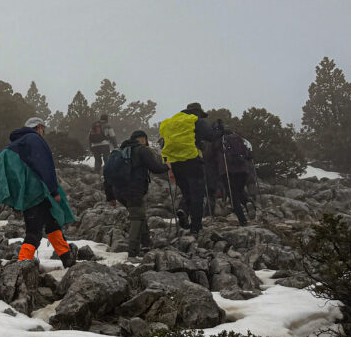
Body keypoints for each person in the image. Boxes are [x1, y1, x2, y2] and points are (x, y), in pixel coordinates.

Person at [0, 117, 77, 267]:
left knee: (52, 224)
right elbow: (45, 165)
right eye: (43, 130)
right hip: (38, 194)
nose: (43, 133)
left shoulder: (16, 145)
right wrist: (54, 191)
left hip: (29, 196)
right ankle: (22, 264)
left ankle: (67, 258)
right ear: (39, 127)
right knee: (34, 233)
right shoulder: (35, 139)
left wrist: (16, 199)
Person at [104, 130, 168, 256]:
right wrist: (167, 166)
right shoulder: (142, 150)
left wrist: (110, 195)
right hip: (133, 190)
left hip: (118, 190)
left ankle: (146, 245)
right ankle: (132, 252)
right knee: (137, 218)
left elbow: (107, 175)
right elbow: (155, 168)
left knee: (140, 214)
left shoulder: (118, 152)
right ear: (143, 139)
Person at [159, 102, 217, 236]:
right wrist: (218, 130)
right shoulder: (196, 120)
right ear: (198, 112)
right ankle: (196, 227)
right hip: (192, 161)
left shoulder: (173, 121)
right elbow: (211, 136)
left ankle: (183, 210)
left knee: (186, 192)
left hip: (176, 163)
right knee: (197, 194)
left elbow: (163, 141)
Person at [216, 126, 255, 225]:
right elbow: (248, 154)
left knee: (233, 196)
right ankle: (247, 202)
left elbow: (209, 156)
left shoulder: (220, 142)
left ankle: (242, 220)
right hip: (242, 171)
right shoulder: (240, 139)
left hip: (227, 172)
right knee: (239, 191)